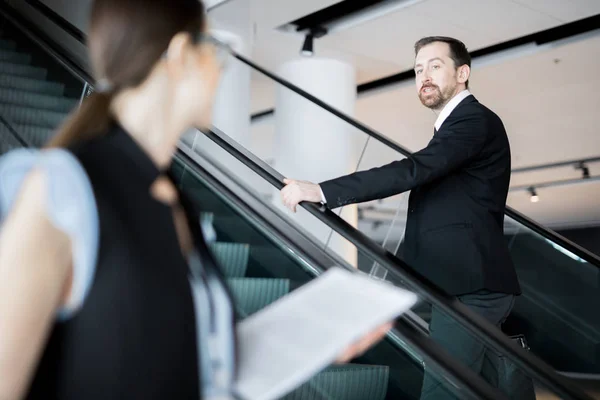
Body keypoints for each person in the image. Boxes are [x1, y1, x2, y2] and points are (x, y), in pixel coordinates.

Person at [0, 1, 392, 398]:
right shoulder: (62, 187)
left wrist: (311, 343)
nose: (222, 68)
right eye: (215, 50)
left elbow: (182, 364)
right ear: (180, 54)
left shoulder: (175, 202)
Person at [281, 36, 523, 399]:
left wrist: (321, 191)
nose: (424, 76)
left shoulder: (473, 121)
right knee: (485, 389)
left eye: (435, 66)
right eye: (418, 69)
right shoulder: (455, 127)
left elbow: (413, 170)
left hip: (470, 286)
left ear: (463, 73)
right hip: (462, 283)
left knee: (441, 391)